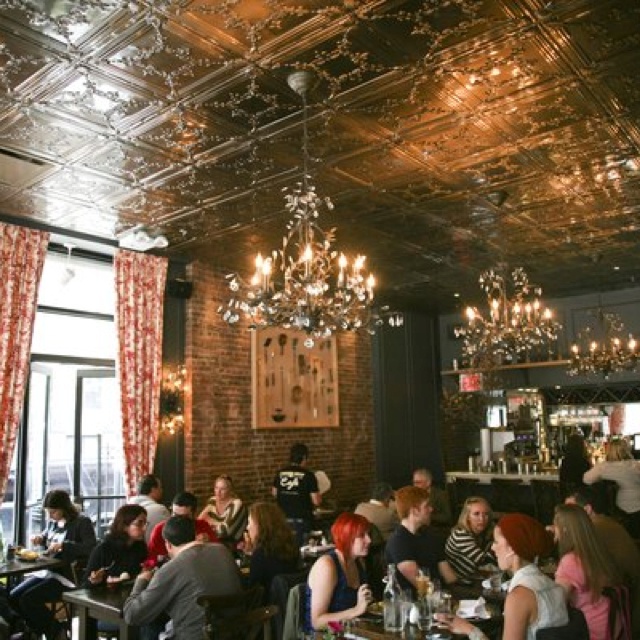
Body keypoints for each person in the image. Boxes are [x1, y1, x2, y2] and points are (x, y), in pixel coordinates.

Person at [439, 513, 568, 640]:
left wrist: (469, 629)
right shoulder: (553, 585)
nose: (493, 548)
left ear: (512, 548)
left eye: (496, 541)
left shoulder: (519, 597)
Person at [123, 515, 243, 640]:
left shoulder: (172, 568)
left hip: (195, 636)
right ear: (194, 535)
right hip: (231, 633)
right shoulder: (222, 550)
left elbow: (132, 615)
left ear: (168, 545)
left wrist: (141, 581)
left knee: (150, 626)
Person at [9, 490, 96, 640]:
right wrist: (39, 538)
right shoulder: (53, 522)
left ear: (65, 508)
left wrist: (64, 545)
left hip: (68, 576)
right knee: (13, 596)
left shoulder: (82, 522)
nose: (50, 516)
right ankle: (38, 630)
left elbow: (91, 547)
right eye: (47, 512)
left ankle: (56, 631)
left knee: (28, 599)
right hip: (49, 572)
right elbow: (47, 537)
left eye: (53, 512)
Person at [565, 487, 640, 636]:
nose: (567, 518)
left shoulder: (593, 530)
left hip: (623, 608)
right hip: (627, 599)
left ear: (587, 509)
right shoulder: (605, 524)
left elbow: (576, 569)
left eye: (571, 512)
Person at [553, 503, 622, 640]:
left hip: (591, 630)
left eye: (555, 526)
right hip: (612, 623)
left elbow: (556, 604)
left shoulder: (570, 561)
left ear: (565, 529)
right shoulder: (596, 552)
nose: (553, 530)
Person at [304, 512, 372, 632]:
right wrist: (356, 610)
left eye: (368, 534)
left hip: (349, 631)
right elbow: (317, 622)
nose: (369, 540)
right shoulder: (327, 566)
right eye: (362, 535)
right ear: (347, 537)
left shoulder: (358, 561)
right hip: (324, 636)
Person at [385, 486, 457, 593]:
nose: (431, 509)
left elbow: (450, 577)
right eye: (426, 506)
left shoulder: (429, 535)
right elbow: (423, 587)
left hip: (440, 595)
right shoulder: (399, 542)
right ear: (415, 511)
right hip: (415, 604)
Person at [583, 438, 640, 537]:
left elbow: (586, 479)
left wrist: (600, 479)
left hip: (616, 510)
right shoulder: (636, 465)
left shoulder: (603, 467)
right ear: (627, 450)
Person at [242, 501, 300, 595]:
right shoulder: (291, 547)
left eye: (249, 522)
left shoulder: (260, 555)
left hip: (268, 606)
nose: (247, 527)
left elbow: (254, 590)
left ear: (260, 525)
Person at [83, 504, 148, 586]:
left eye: (146, 523)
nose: (145, 528)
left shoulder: (140, 547)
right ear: (124, 525)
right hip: (104, 595)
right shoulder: (104, 549)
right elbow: (86, 583)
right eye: (139, 524)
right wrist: (94, 580)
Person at [147, 492, 218, 565]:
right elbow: (150, 561)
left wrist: (207, 545)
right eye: (175, 515)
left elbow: (217, 554)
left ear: (194, 515)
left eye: (184, 517)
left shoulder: (202, 527)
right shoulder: (159, 530)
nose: (178, 521)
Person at [272, 443, 322, 545]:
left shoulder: (280, 473)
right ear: (304, 457)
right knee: (302, 552)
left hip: (282, 519)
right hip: (302, 520)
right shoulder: (308, 475)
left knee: (286, 550)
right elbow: (316, 501)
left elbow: (274, 493)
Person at [445, 496, 496, 579]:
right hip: (461, 583)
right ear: (467, 517)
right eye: (476, 514)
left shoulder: (484, 532)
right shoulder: (460, 534)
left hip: (476, 577)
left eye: (486, 514)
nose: (482, 519)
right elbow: (485, 561)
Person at [198, 474, 247, 544]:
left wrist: (210, 525)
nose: (218, 492)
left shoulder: (237, 504)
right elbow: (199, 521)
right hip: (213, 541)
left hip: (232, 544)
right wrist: (216, 525)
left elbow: (226, 531)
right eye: (216, 488)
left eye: (223, 489)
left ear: (230, 490)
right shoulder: (213, 501)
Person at [128, 475, 170, 542]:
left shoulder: (125, 508)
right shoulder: (160, 510)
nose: (162, 491)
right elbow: (169, 536)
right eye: (160, 487)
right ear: (153, 489)